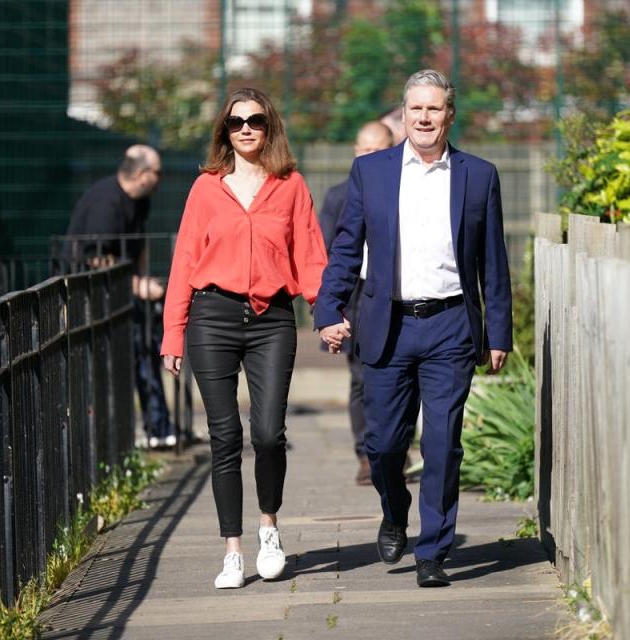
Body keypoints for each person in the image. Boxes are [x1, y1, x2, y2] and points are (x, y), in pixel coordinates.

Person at [315, 70, 512, 588]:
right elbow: (344, 246)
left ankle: (433, 551)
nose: (424, 118)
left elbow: (494, 262)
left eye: (435, 109)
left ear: (450, 115)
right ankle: (394, 509)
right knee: (382, 445)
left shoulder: (479, 175)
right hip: (388, 324)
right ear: (403, 115)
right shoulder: (372, 173)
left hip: (450, 325)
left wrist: (499, 333)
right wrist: (328, 307)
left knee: (443, 444)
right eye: (415, 109)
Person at [161, 88, 328, 589]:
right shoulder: (206, 189)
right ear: (225, 132)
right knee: (224, 436)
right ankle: (232, 550)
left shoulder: (291, 185)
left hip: (273, 318)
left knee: (269, 433)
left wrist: (328, 312)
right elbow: (184, 263)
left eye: (256, 120)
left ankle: (269, 527)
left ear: (270, 126)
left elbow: (311, 255)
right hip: (212, 317)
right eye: (237, 123)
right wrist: (173, 334)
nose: (247, 129)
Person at [64, 144, 175, 448]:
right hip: (90, 297)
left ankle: (159, 426)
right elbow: (95, 256)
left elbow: (139, 245)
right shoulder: (107, 203)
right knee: (116, 361)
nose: (161, 179)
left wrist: (141, 280)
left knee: (146, 348)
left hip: (120, 293)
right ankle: (127, 432)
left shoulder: (138, 201)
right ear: (142, 174)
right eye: (158, 173)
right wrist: (137, 284)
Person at [316, 121, 394, 485]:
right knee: (362, 376)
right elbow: (328, 254)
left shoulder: (405, 188)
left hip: (397, 290)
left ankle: (395, 449)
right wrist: (331, 309)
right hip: (358, 293)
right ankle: (365, 454)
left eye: (377, 150)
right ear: (354, 151)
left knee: (401, 374)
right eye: (364, 149)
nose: (369, 156)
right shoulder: (338, 195)